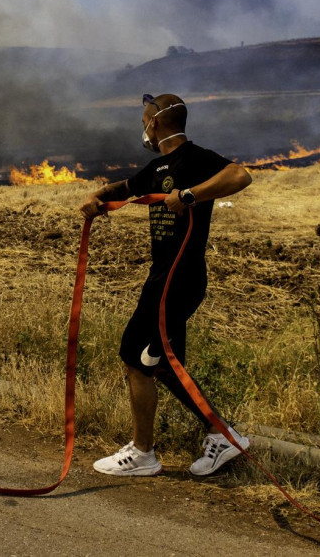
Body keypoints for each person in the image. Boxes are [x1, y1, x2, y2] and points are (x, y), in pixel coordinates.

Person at [80, 93, 253, 477]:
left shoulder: (195, 159)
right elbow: (127, 187)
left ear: (154, 122)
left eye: (143, 119)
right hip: (166, 276)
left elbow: (241, 175)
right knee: (163, 366)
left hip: (179, 276)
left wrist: (190, 195)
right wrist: (98, 197)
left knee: (133, 356)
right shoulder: (158, 167)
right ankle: (221, 434)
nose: (142, 127)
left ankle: (143, 454)